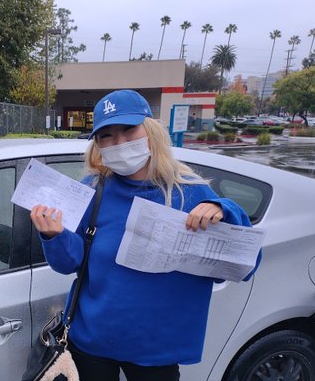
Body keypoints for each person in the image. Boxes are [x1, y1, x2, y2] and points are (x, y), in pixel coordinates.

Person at [30, 90, 261, 381]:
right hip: (91, 342)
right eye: (107, 136)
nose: (120, 143)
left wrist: (223, 210)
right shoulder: (93, 189)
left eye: (129, 130)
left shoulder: (189, 192)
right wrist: (54, 235)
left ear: (150, 131)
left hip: (157, 350)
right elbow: (69, 263)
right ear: (97, 145)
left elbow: (246, 264)